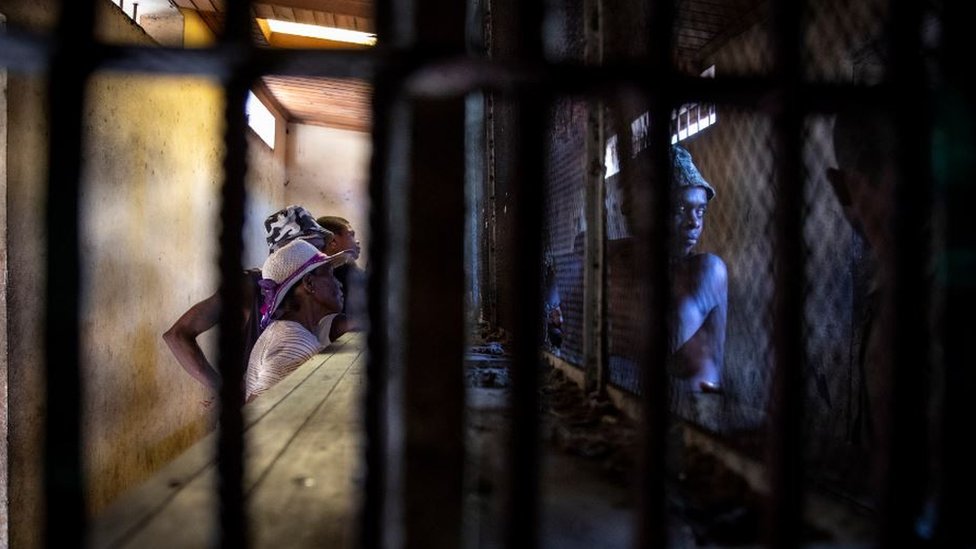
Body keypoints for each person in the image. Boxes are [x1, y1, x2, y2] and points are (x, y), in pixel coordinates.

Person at [163, 205, 333, 406]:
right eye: (312, 246)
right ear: (287, 250)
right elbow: (177, 335)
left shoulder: (319, 287)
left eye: (320, 247)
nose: (319, 253)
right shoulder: (248, 286)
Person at [245, 239, 351, 402]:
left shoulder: (284, 330)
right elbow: (257, 409)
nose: (338, 284)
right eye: (330, 274)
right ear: (309, 283)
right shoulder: (295, 342)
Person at [666, 145, 728, 394]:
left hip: (696, 412)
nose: (694, 222)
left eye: (700, 211)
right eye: (681, 210)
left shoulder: (708, 270)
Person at [316, 216, 366, 324]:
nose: (357, 241)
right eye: (351, 235)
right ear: (333, 242)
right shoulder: (345, 271)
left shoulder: (317, 272)